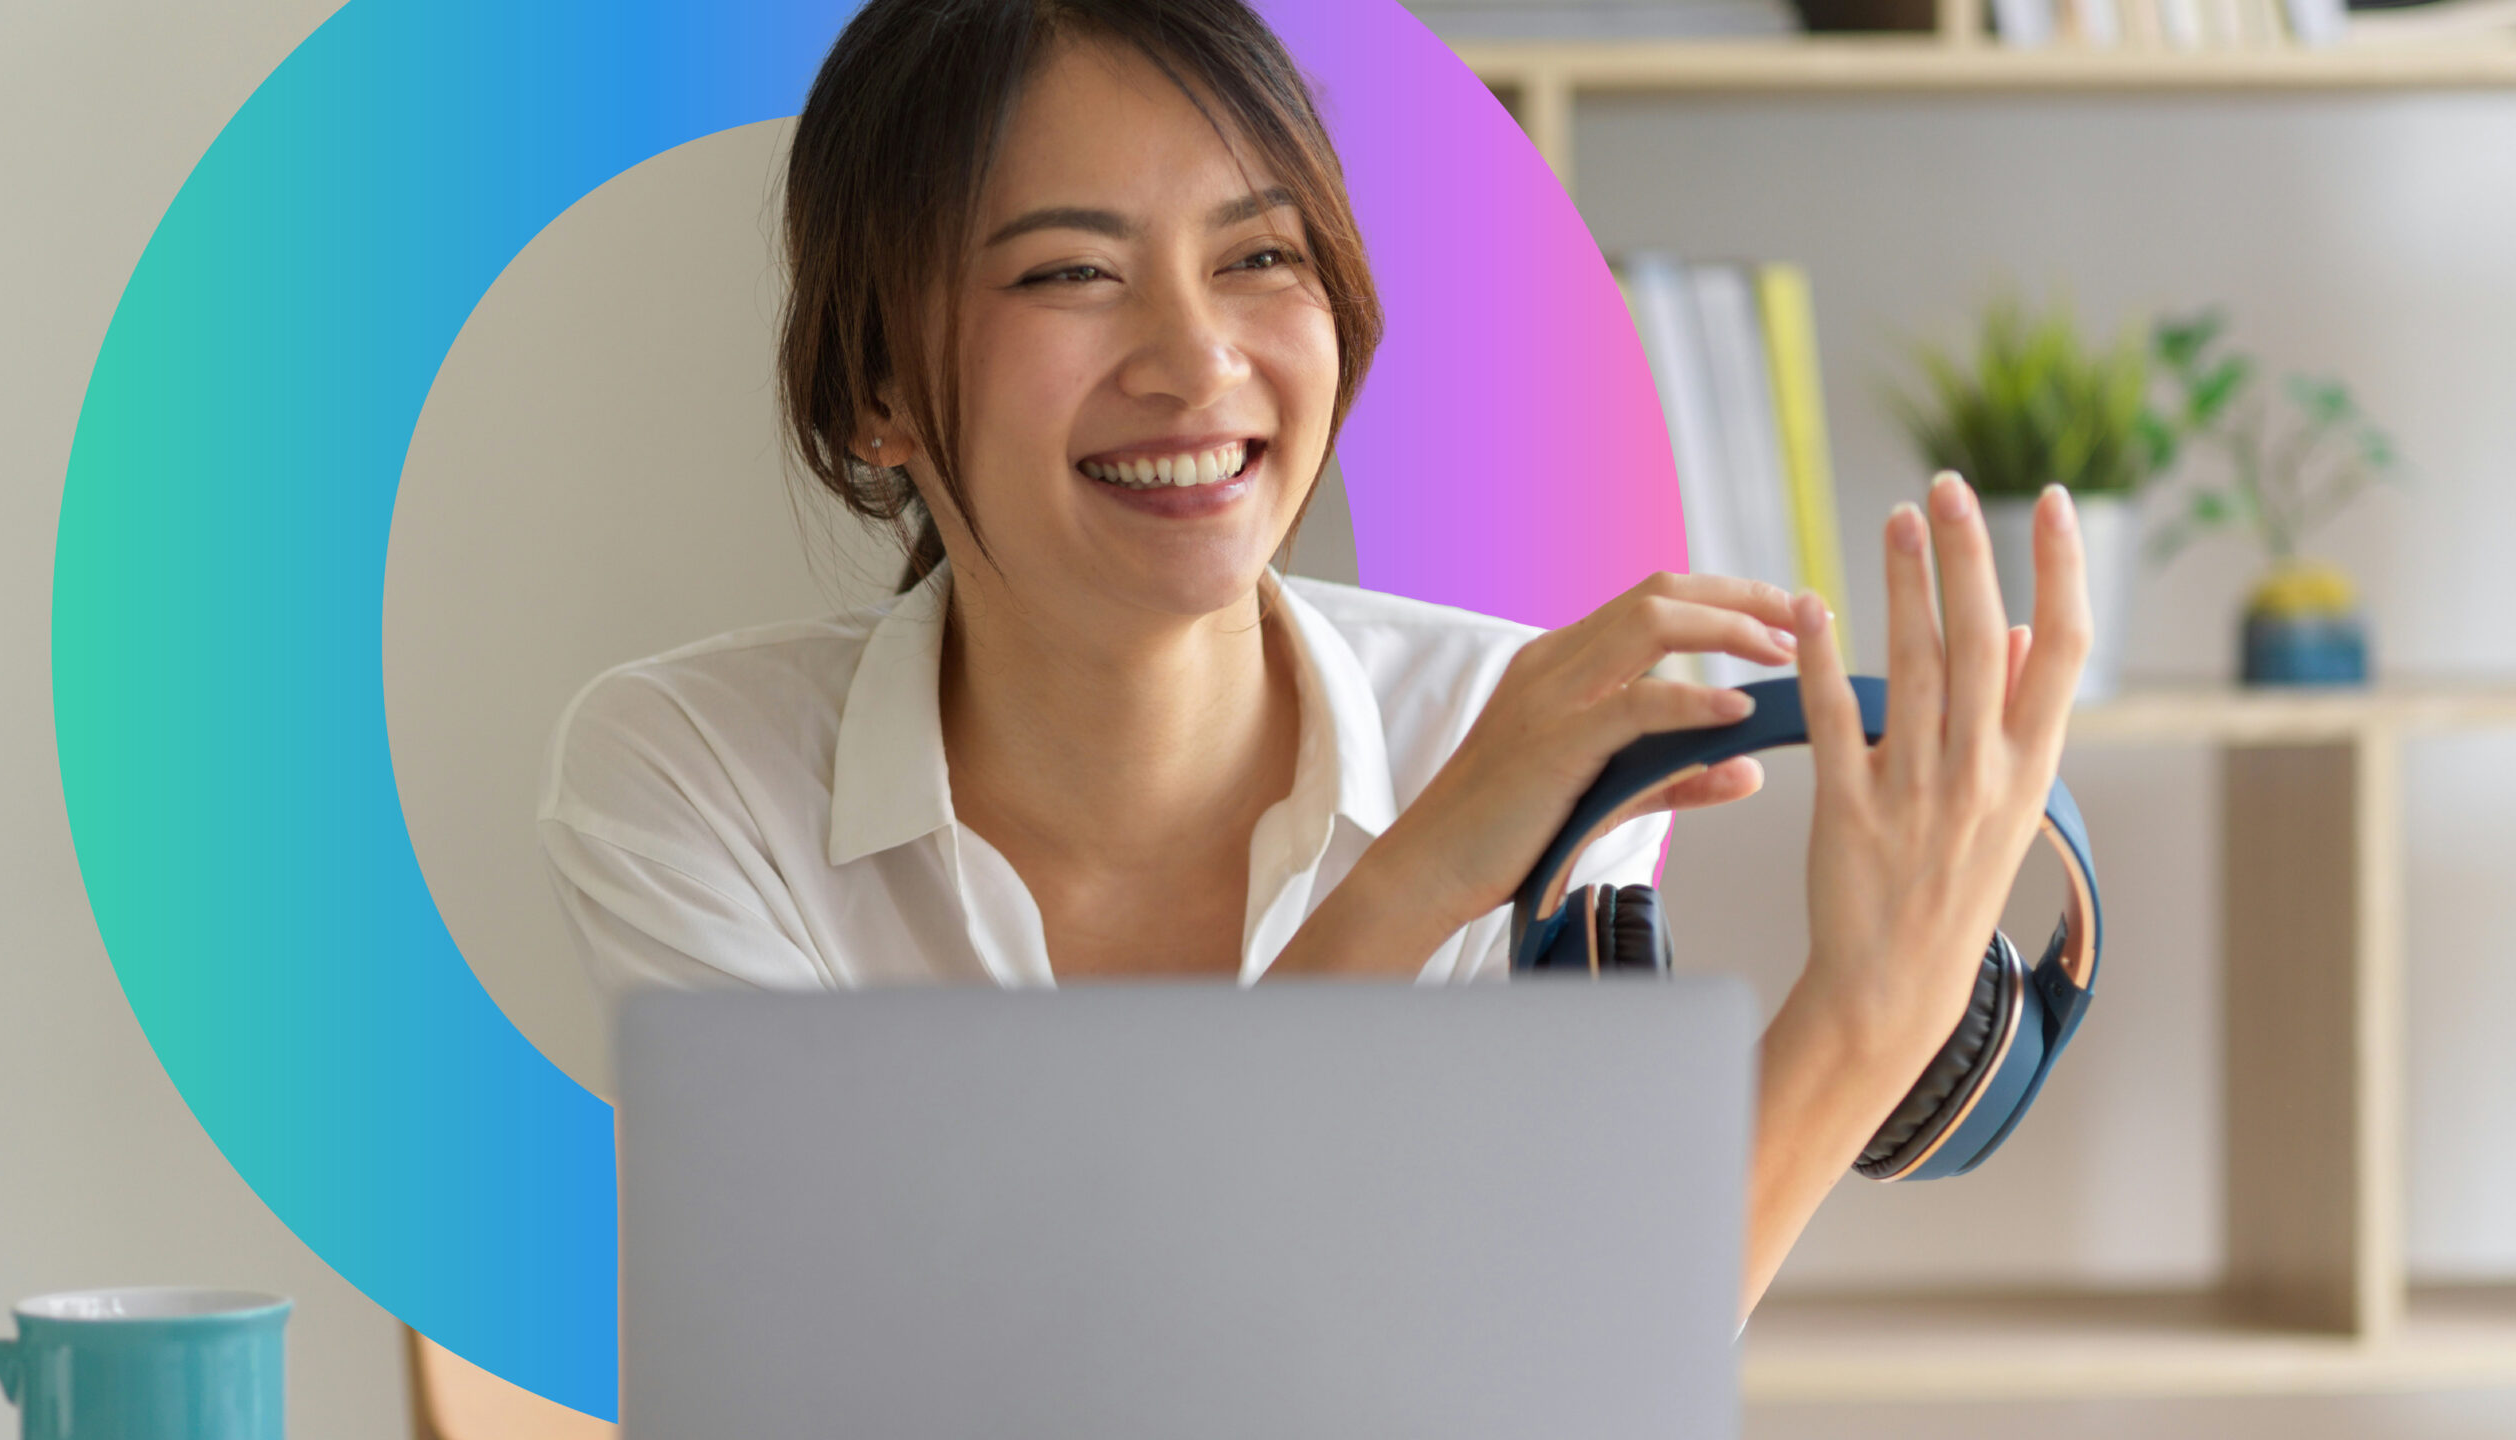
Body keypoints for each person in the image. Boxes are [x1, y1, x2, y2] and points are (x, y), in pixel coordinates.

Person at [536, 0, 2089, 1322]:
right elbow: (914, 1388)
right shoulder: (694, 777)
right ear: (876, 384)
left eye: (1260, 255)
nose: (1197, 360)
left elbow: (1533, 1393)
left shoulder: (1518, 732)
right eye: (1071, 272)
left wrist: (1873, 1016)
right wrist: (1403, 891)